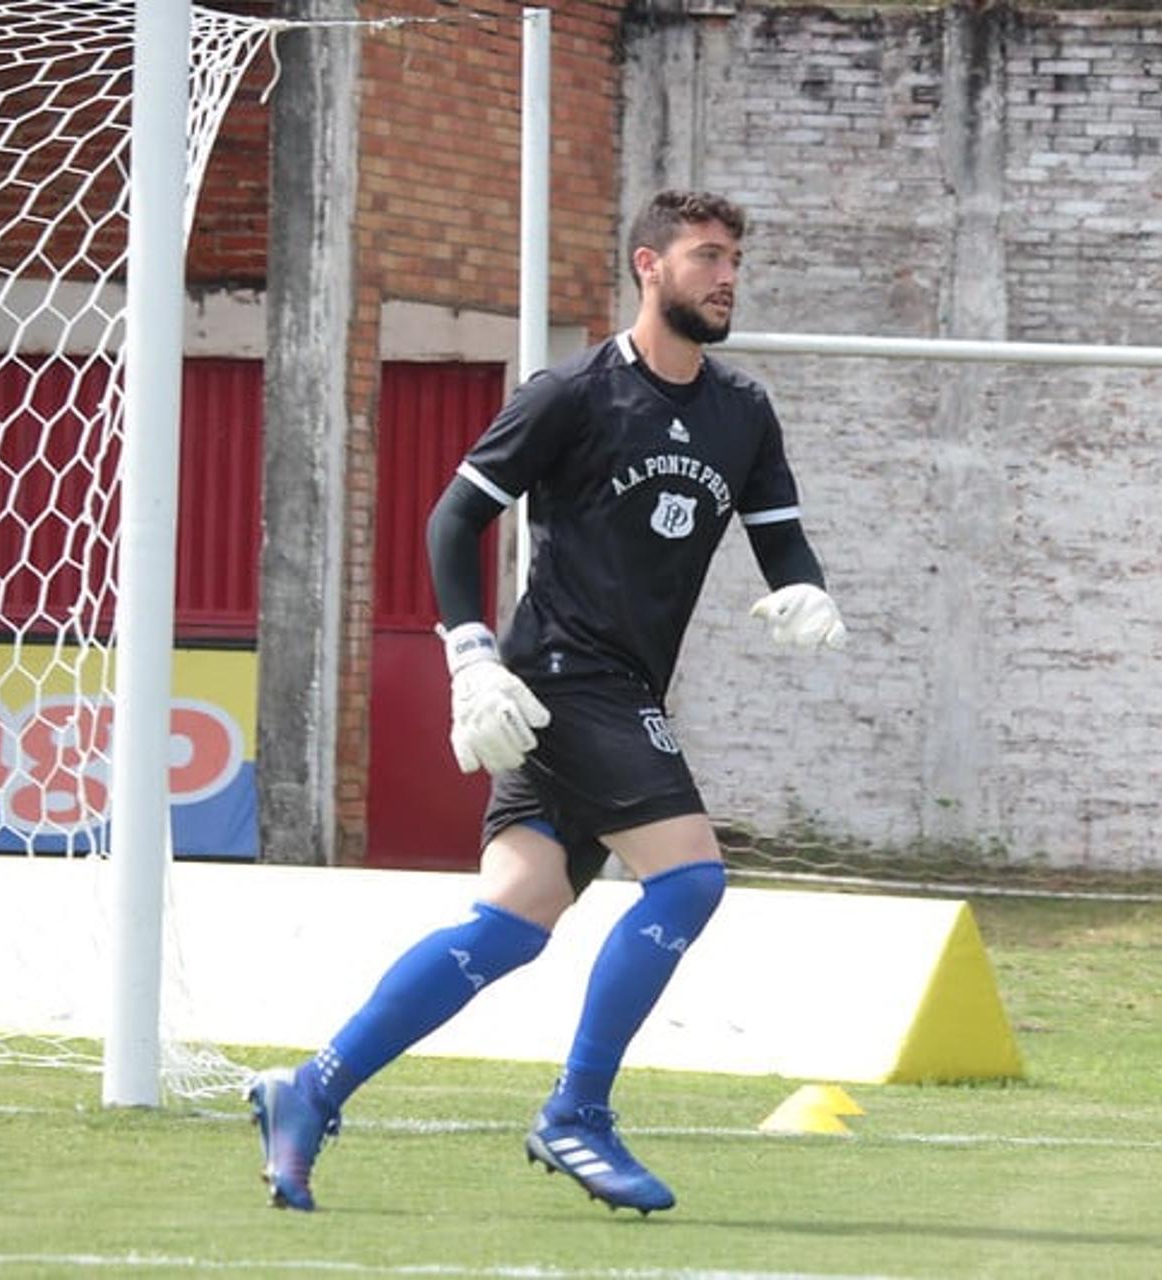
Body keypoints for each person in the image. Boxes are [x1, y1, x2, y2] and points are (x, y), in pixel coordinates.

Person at [246, 189, 846, 1216]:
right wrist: (470, 655)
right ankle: (577, 1110)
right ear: (648, 265)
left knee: (513, 921)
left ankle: (312, 1085)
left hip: (609, 688)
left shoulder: (742, 409)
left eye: (735, 258)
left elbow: (779, 533)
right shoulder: (570, 391)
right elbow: (451, 521)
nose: (728, 274)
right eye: (706, 256)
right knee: (691, 879)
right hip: (564, 677)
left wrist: (808, 586)